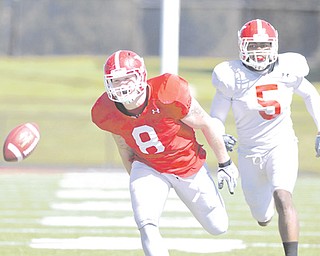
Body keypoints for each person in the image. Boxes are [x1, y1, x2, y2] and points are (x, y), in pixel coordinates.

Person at [91, 50, 239, 255]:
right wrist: (138, 184)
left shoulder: (168, 91)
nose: (123, 85)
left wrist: (225, 163)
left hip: (188, 165)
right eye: (116, 81)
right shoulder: (104, 111)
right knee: (146, 224)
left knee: (218, 226)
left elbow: (205, 122)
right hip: (149, 167)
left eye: (128, 78)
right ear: (108, 83)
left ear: (141, 75)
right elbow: (124, 146)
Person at [210, 19, 320, 256]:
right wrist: (219, 134)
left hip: (282, 146)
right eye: (253, 46)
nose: (259, 51)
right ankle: (264, 213)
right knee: (262, 216)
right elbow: (216, 117)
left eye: (264, 45)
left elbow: (311, 95)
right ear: (242, 47)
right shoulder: (230, 76)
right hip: (250, 152)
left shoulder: (287, 68)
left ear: (274, 45)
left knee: (283, 196)